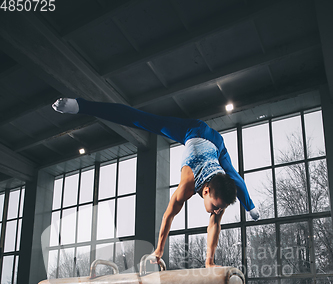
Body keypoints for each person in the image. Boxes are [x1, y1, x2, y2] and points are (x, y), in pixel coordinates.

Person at [52, 98, 259, 267]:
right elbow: (168, 216)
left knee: (233, 177)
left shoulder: (219, 194)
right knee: (141, 119)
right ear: (205, 191)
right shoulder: (187, 184)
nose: (216, 211)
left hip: (217, 145)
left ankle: (249, 206)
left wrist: (209, 262)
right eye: (216, 206)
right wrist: (159, 250)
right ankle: (80, 105)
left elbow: (215, 225)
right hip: (193, 131)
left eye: (219, 208)